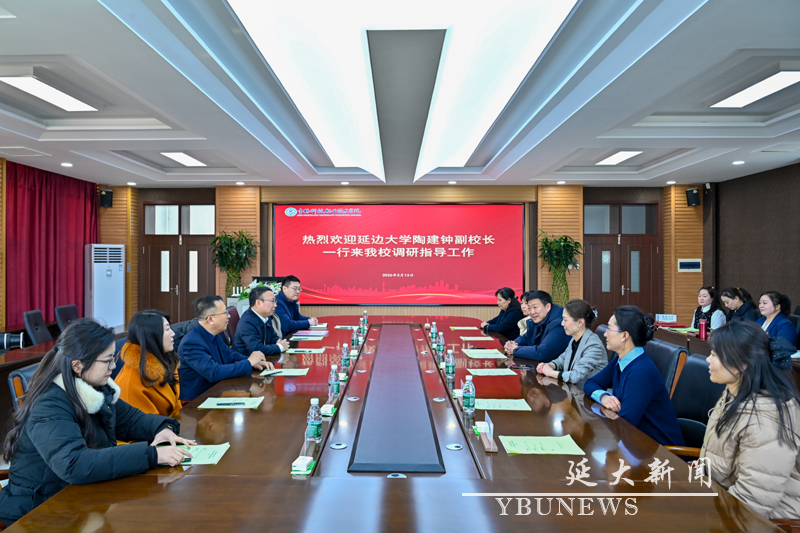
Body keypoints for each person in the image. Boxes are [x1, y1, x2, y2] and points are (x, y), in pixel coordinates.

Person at [0, 319, 194, 526]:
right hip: (38, 511)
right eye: (107, 361)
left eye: (113, 358)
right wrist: (151, 455)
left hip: (77, 497)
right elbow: (74, 464)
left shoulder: (95, 388)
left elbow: (131, 420)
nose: (113, 366)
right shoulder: (49, 405)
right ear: (77, 365)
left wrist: (162, 429)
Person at [702, 321, 800, 519]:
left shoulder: (766, 421)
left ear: (742, 364)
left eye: (714, 355)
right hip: (723, 497)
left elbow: (752, 503)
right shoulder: (735, 393)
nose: (707, 359)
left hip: (766, 518)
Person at [584, 306, 684, 446]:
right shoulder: (621, 360)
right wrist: (603, 396)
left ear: (624, 335)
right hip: (636, 444)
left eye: (609, 328)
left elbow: (625, 423)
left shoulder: (640, 372)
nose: (605, 334)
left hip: (660, 451)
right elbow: (590, 383)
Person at [178, 295, 273, 401]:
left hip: (218, 391)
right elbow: (214, 372)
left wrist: (254, 362)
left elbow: (231, 355)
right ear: (210, 319)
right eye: (225, 313)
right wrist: (248, 363)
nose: (229, 316)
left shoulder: (214, 334)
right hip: (198, 402)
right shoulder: (191, 343)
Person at [115, 310, 181, 417]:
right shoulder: (132, 381)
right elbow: (144, 424)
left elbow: (175, 403)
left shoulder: (166, 360)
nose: (173, 333)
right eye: (167, 329)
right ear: (151, 335)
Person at [536, 299, 606, 389]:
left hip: (588, 395)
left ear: (580, 322)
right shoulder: (574, 339)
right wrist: (548, 365)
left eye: (565, 320)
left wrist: (550, 372)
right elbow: (562, 359)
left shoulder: (594, 345)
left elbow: (576, 376)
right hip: (573, 392)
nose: (562, 323)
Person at [504, 291, 571, 362]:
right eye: (529, 308)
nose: (532, 312)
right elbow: (526, 337)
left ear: (548, 307)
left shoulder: (560, 324)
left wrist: (515, 349)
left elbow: (542, 353)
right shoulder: (540, 318)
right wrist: (512, 344)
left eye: (535, 307)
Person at [234, 286, 290, 357]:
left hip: (263, 359)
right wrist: (280, 347)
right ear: (258, 303)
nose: (275, 305)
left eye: (275, 301)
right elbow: (256, 349)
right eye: (272, 301)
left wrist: (278, 341)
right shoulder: (247, 322)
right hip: (246, 361)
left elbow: (273, 336)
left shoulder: (266, 316)